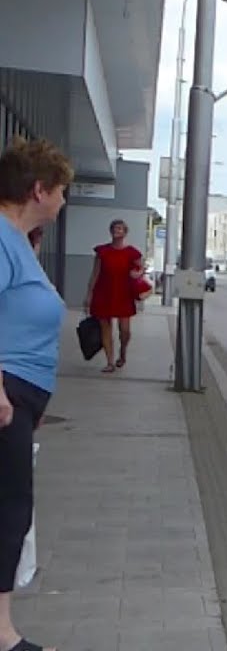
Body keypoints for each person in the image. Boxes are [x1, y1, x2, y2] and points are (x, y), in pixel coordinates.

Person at [0, 136, 72, 651]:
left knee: (10, 509)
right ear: (39, 189)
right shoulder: (2, 237)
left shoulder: (17, 240)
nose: (65, 201)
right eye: (62, 191)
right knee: (9, 511)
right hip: (4, 396)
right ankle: (1, 635)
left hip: (19, 399)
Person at [84, 219, 143, 372]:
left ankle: (122, 353)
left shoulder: (132, 253)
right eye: (115, 228)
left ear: (125, 232)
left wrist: (137, 273)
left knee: (125, 330)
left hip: (123, 294)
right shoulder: (102, 251)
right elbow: (95, 273)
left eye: (120, 229)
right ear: (110, 231)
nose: (117, 231)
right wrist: (89, 295)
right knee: (105, 328)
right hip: (103, 293)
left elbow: (140, 268)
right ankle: (110, 362)